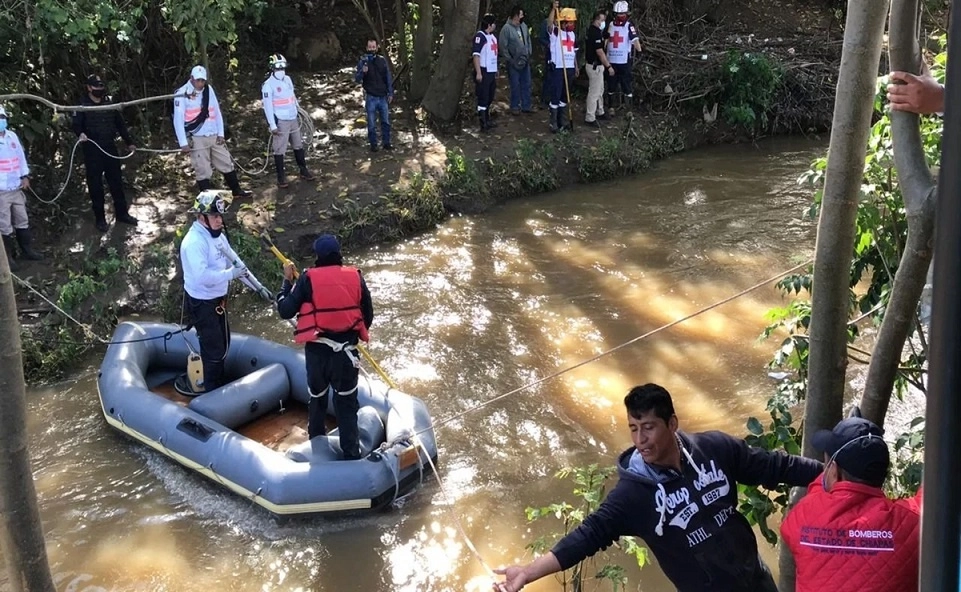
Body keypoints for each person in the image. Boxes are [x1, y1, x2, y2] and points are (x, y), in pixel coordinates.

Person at [494, 383, 823, 592]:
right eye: (633, 428)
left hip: (755, 578)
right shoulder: (632, 496)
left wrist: (828, 475)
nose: (640, 440)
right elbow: (587, 536)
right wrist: (528, 571)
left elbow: (775, 466)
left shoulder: (716, 448)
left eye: (649, 427)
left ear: (672, 424)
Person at [780, 414, 923, 592]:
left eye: (827, 464)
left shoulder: (803, 516)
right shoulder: (913, 523)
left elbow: (818, 491)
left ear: (834, 471)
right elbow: (936, 488)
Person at [276, 234, 374, 460]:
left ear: (318, 256)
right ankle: (352, 456)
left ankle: (316, 451)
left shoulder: (308, 278)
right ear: (339, 254)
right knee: (346, 405)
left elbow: (285, 310)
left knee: (317, 399)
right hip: (346, 355)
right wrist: (349, 335)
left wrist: (287, 283)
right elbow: (367, 315)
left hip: (318, 354)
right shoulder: (356, 277)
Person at [176, 190, 250, 395]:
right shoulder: (194, 243)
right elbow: (203, 277)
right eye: (215, 216)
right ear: (201, 218)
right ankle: (212, 390)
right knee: (213, 350)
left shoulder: (217, 236)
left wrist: (255, 285)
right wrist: (231, 274)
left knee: (224, 342)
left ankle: (219, 380)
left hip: (218, 300)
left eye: (220, 216)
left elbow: (235, 261)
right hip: (203, 303)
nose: (219, 220)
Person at [71, 74, 139, 232]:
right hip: (92, 150)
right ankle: (100, 219)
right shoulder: (81, 105)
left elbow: (120, 124)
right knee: (95, 186)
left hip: (109, 147)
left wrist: (129, 142)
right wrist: (80, 133)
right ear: (89, 87)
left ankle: (122, 214)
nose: (99, 90)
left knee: (116, 182)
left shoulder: (109, 103)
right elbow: (76, 125)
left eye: (101, 87)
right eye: (96, 87)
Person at [172, 65, 251, 197]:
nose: (200, 83)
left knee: (226, 162)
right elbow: (178, 120)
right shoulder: (182, 93)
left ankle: (236, 191)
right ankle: (206, 200)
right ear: (192, 78)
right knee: (202, 168)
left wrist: (221, 133)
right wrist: (183, 142)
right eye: (198, 80)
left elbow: (216, 111)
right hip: (196, 136)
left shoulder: (209, 90)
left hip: (212, 133)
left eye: (203, 80)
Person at [261, 53, 315, 189]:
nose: (281, 70)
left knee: (298, 144)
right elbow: (267, 107)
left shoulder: (288, 79)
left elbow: (292, 96)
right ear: (272, 68)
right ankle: (281, 177)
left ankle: (303, 170)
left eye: (282, 67)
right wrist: (272, 125)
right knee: (279, 149)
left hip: (293, 118)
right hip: (281, 120)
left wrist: (298, 110)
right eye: (277, 67)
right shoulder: (268, 85)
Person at [0, 105, 43, 271]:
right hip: (2, 191)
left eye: (2, 118)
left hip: (16, 187)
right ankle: (8, 259)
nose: (1, 121)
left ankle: (27, 250)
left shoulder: (12, 136)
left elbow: (21, 157)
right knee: (4, 225)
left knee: (22, 219)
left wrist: (25, 176)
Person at [354, 39, 394, 153]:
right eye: (370, 47)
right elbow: (357, 79)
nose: (372, 49)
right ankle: (373, 145)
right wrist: (363, 71)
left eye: (373, 47)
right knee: (371, 123)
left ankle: (387, 143)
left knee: (385, 122)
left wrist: (390, 93)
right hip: (371, 97)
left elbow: (388, 77)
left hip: (383, 97)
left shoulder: (382, 60)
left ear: (377, 48)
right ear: (367, 48)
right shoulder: (363, 61)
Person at [546, 2, 579, 133]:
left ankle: (563, 122)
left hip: (569, 68)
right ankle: (553, 123)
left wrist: (576, 67)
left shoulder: (572, 35)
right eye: (570, 23)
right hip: (558, 68)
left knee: (565, 96)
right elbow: (549, 24)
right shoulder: (556, 31)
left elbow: (574, 52)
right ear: (564, 23)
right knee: (555, 95)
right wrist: (553, 9)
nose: (572, 25)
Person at [606, 1, 643, 114]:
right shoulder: (610, 25)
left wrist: (639, 51)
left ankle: (628, 109)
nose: (621, 17)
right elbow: (606, 40)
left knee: (626, 84)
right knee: (611, 85)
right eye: (620, 14)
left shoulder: (628, 26)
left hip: (623, 61)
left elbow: (635, 40)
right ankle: (611, 107)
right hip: (611, 61)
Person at [499, 6, 534, 115]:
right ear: (515, 16)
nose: (522, 17)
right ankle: (514, 106)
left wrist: (529, 52)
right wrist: (509, 59)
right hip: (513, 62)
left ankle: (526, 106)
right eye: (521, 15)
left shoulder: (524, 26)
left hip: (525, 60)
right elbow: (503, 46)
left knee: (526, 83)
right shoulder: (506, 29)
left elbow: (528, 40)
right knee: (515, 84)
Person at [584, 10, 613, 126]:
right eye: (601, 20)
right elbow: (600, 52)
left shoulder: (597, 32)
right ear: (596, 20)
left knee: (600, 90)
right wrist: (609, 66)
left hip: (597, 66)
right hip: (594, 66)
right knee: (594, 92)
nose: (603, 22)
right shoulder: (594, 33)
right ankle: (590, 117)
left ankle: (599, 111)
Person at [473, 14, 500, 132]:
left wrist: (496, 68)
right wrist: (478, 72)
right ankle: (482, 123)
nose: (495, 25)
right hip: (483, 70)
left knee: (489, 96)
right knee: (483, 97)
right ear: (489, 25)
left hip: (491, 70)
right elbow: (476, 55)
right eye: (493, 23)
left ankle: (487, 119)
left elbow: (494, 54)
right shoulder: (480, 36)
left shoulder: (493, 37)